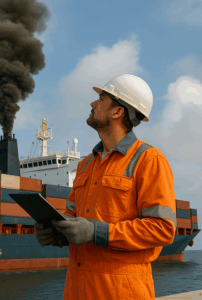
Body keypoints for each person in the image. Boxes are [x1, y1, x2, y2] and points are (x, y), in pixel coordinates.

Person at [34, 74, 176, 300]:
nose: (92, 104)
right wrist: (57, 232)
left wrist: (95, 232)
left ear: (117, 112)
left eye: (100, 99)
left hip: (120, 291)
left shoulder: (149, 160)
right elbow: (73, 215)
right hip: (76, 289)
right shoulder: (85, 164)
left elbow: (163, 228)